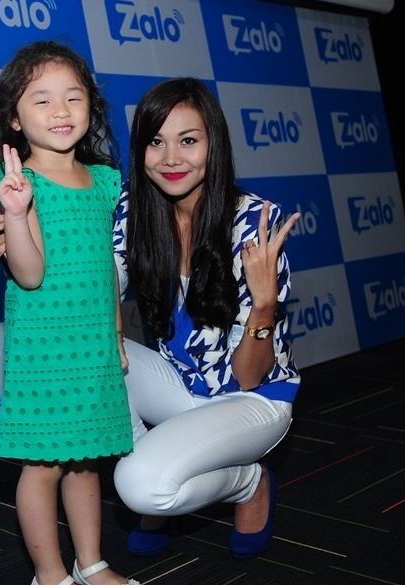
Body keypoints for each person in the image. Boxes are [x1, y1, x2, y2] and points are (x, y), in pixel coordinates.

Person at [0, 40, 143, 585]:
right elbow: (28, 273)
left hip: (94, 344)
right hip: (44, 350)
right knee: (43, 464)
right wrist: (15, 212)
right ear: (14, 118)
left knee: (86, 460)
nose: (61, 110)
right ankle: (47, 579)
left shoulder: (104, 180)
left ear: (91, 106)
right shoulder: (16, 183)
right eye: (41, 99)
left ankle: (90, 562)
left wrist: (116, 336)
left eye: (73, 96)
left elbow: (108, 272)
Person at [110, 77, 300, 560]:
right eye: (156, 142)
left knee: (138, 486)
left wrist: (264, 305)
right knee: (82, 346)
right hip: (181, 385)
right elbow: (106, 277)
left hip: (251, 400)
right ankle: (161, 462)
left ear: (214, 145)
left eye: (188, 140)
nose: (171, 158)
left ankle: (248, 482)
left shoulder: (252, 223)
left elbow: (250, 376)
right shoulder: (135, 207)